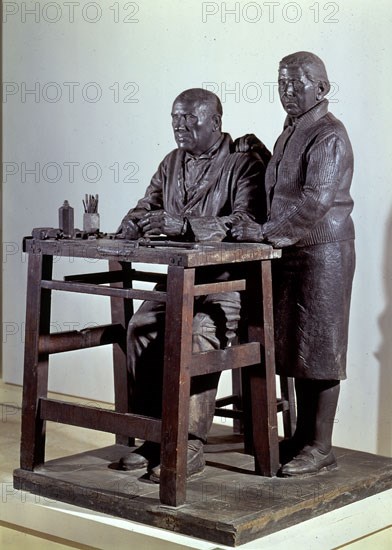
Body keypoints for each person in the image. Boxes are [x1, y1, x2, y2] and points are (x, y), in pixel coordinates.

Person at [116, 88, 267, 481]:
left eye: (190, 119)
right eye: (175, 119)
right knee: (141, 329)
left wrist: (185, 226)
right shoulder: (171, 163)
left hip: (225, 284)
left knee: (197, 333)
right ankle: (154, 435)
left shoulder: (242, 163)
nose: (180, 127)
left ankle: (189, 442)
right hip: (177, 280)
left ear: (216, 122)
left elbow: (245, 222)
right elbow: (147, 203)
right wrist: (133, 221)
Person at [232, 52, 355, 477]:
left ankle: (321, 446)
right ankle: (304, 439)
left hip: (324, 253)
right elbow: (288, 184)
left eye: (295, 84)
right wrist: (261, 152)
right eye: (280, 83)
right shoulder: (292, 131)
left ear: (321, 88)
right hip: (294, 251)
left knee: (320, 348)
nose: (286, 91)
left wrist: (265, 234)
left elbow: (315, 200)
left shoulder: (329, 134)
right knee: (299, 349)